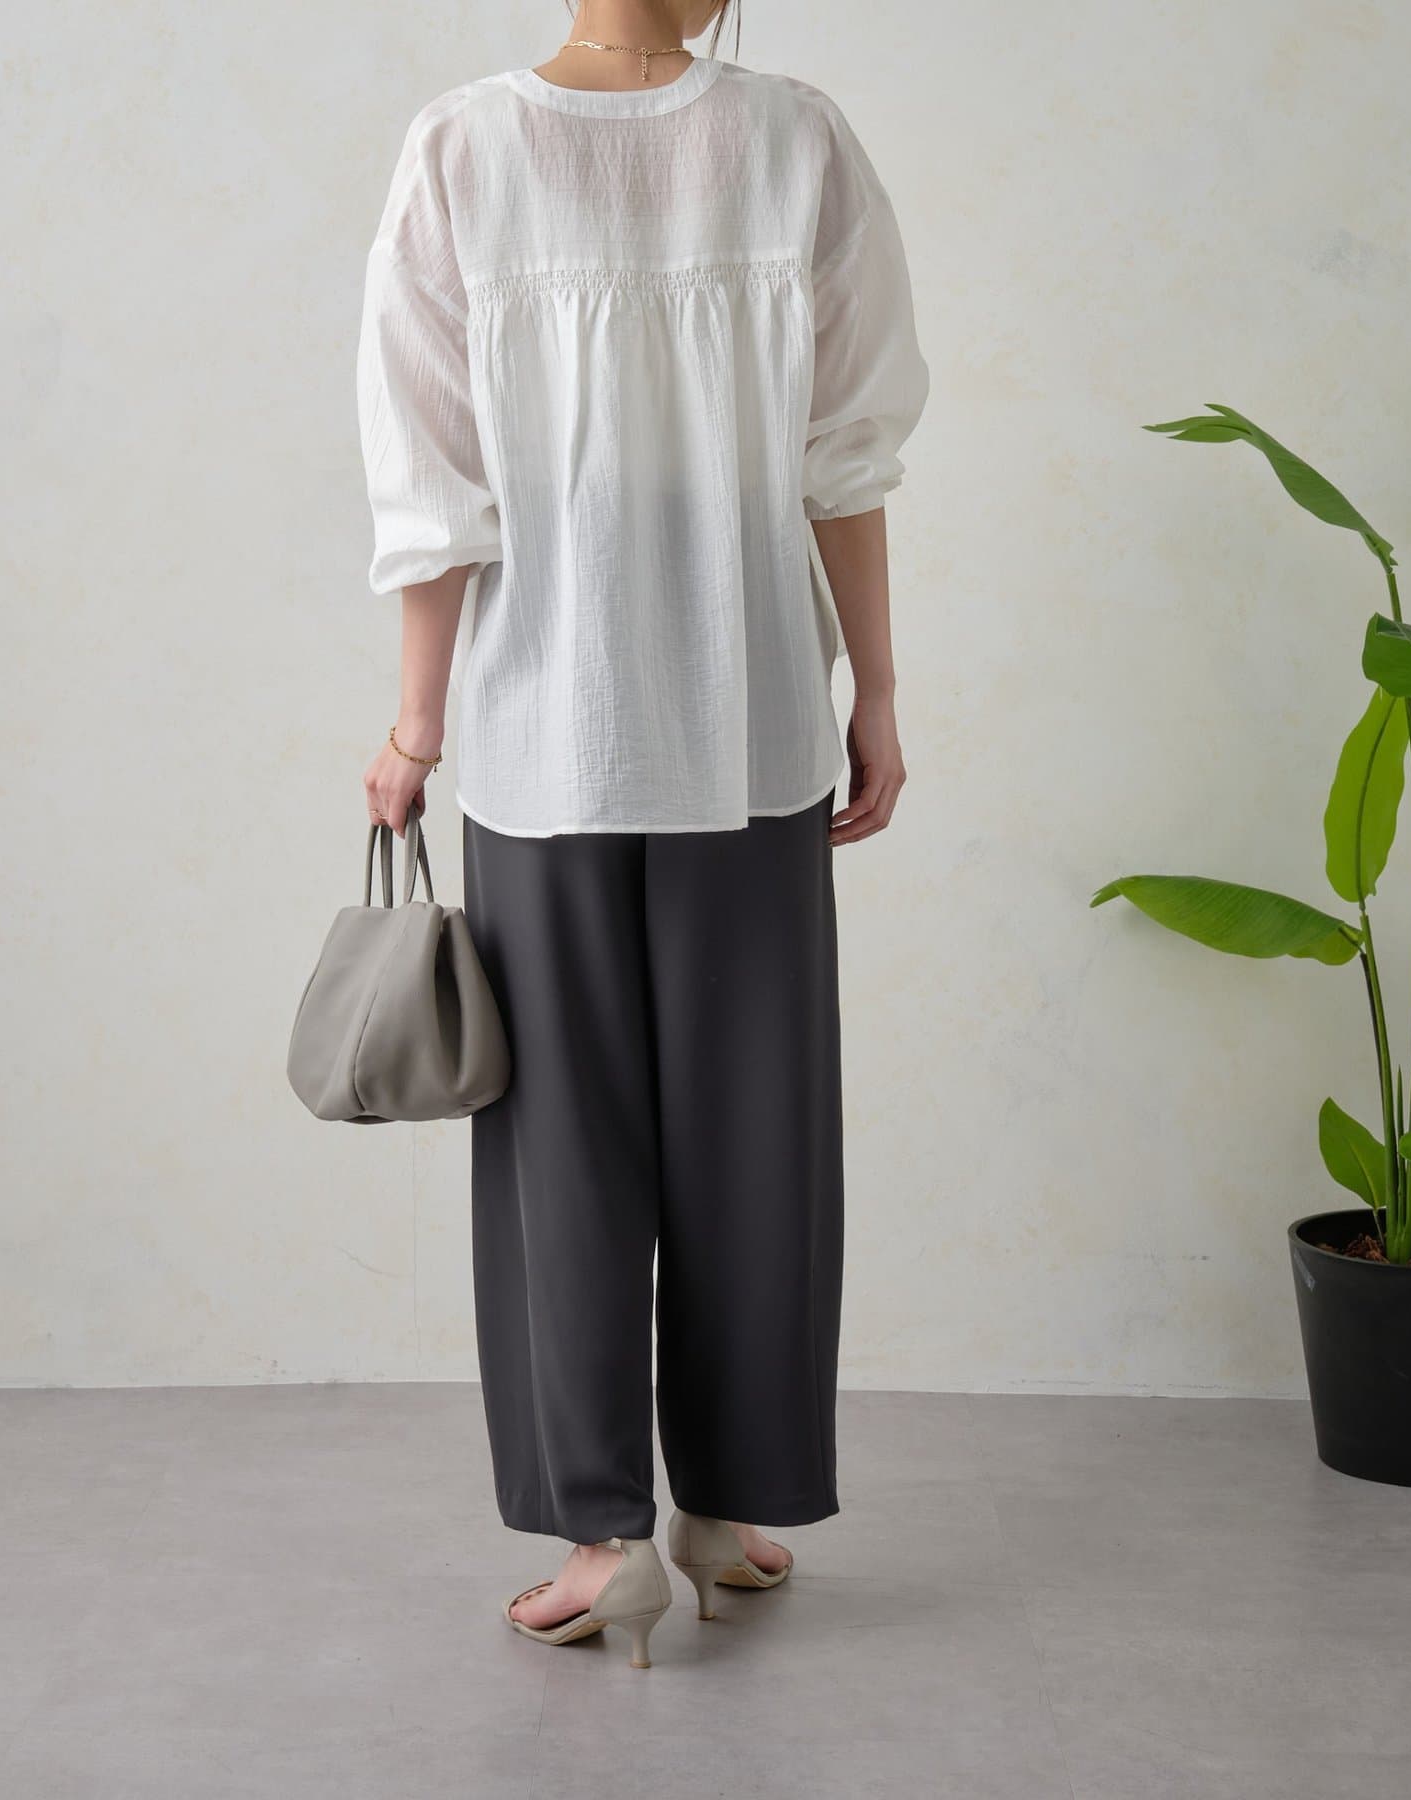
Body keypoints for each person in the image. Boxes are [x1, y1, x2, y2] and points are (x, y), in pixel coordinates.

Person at [356, 0, 928, 1669]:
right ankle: (721, 1508)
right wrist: (875, 688)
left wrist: (416, 725)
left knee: (561, 1138)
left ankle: (604, 1533)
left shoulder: (461, 147)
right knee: (761, 1124)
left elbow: (431, 478)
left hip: (545, 728)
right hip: (750, 711)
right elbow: (848, 451)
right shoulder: (797, 137)